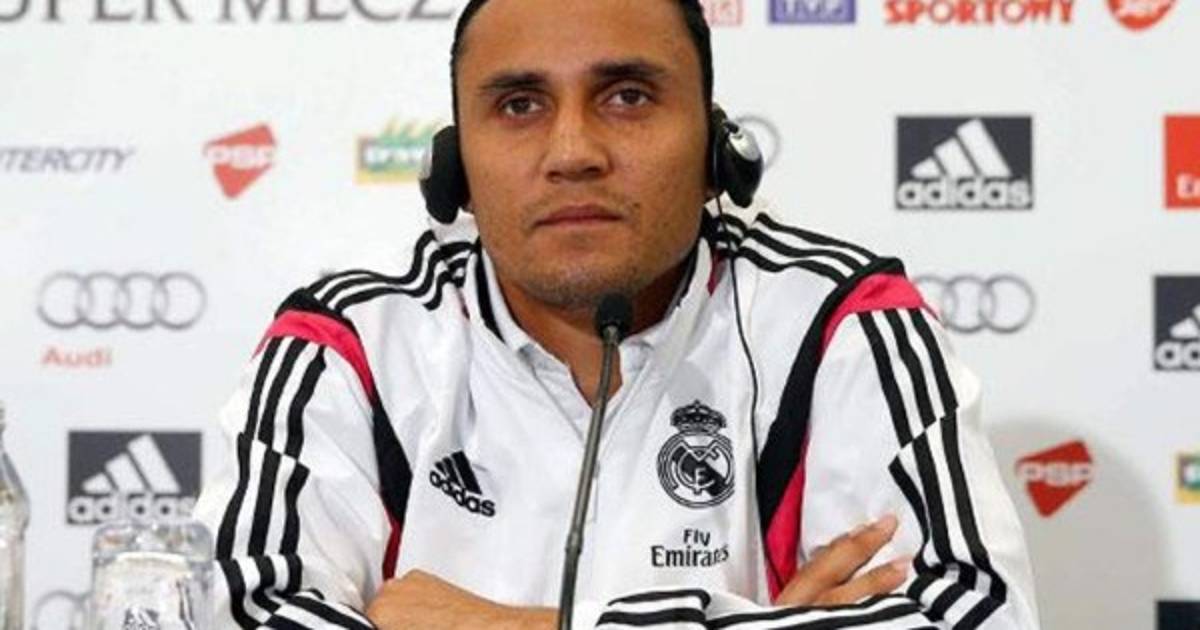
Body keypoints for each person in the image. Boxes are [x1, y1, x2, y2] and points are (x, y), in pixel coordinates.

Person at [194, 0, 1041, 628]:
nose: (573, 153)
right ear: (455, 168)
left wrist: (521, 628)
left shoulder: (838, 324)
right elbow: (236, 612)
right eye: (519, 105)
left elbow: (977, 614)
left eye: (628, 97)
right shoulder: (351, 347)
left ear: (717, 151)